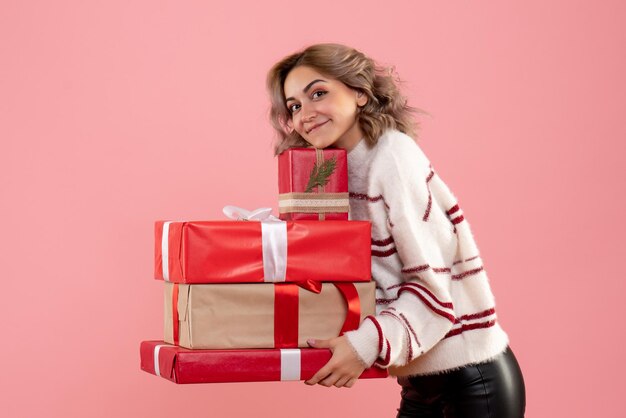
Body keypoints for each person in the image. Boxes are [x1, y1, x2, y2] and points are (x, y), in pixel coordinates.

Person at [266, 43, 526, 418]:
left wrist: (362, 346)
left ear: (359, 92)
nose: (305, 114)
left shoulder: (392, 157)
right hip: (418, 380)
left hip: (472, 379)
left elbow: (434, 292)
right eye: (294, 106)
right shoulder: (330, 174)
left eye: (318, 93)